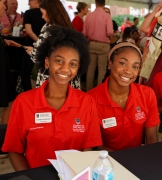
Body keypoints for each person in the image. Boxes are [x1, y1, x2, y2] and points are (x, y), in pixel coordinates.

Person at [2, 26, 103, 171]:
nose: (65, 69)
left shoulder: (87, 102)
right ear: (47, 62)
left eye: (72, 64)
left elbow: (88, 146)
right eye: (59, 61)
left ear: (78, 68)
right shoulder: (24, 101)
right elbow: (14, 149)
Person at [88, 42, 159, 151]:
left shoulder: (147, 94)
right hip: (107, 161)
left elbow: (152, 139)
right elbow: (94, 145)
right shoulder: (91, 99)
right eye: (123, 63)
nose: (128, 71)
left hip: (137, 159)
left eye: (135, 66)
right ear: (110, 63)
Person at [24, 0, 79, 89]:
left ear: (50, 12)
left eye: (43, 13)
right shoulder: (69, 27)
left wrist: (31, 51)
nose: (42, 16)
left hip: (50, 77)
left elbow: (38, 56)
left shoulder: (48, 28)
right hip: (68, 75)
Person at [83, 0, 113, 91]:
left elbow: (84, 33)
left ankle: (88, 90)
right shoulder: (107, 16)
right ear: (104, 4)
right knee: (102, 69)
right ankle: (99, 91)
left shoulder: (89, 16)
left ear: (95, 3)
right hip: (103, 45)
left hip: (91, 43)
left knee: (90, 68)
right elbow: (110, 32)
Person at [0, 0, 22, 124]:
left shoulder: (20, 16)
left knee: (10, 99)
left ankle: (5, 133)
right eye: (3, 3)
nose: (5, 6)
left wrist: (4, 42)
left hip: (4, 64)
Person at [17, 0, 45, 92]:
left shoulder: (28, 13)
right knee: (43, 73)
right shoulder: (46, 12)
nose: (28, 3)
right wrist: (42, 43)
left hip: (30, 47)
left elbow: (28, 31)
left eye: (29, 1)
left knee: (25, 72)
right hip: (45, 47)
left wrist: (38, 42)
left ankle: (28, 94)